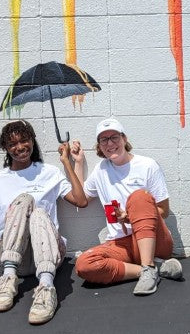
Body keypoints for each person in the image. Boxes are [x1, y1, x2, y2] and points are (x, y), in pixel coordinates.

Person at [0, 120, 88, 325]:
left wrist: (66, 163)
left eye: (24, 140)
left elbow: (81, 201)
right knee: (24, 200)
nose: (20, 147)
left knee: (38, 213)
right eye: (12, 144)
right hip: (13, 258)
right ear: (5, 148)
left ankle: (46, 288)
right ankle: (8, 280)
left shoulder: (49, 172)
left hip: (47, 256)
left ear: (32, 141)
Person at [74, 117, 183, 294]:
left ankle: (148, 265)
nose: (110, 143)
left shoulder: (147, 165)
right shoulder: (101, 170)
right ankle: (150, 270)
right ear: (99, 146)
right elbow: (81, 200)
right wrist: (77, 163)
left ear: (124, 139)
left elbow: (163, 211)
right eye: (104, 139)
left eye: (114, 137)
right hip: (122, 245)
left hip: (154, 240)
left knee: (138, 197)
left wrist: (131, 216)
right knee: (84, 264)